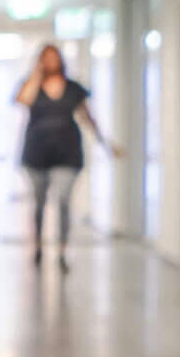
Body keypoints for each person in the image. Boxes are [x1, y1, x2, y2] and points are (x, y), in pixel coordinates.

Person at [15, 43, 119, 270]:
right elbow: (22, 101)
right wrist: (36, 76)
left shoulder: (73, 88)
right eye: (45, 58)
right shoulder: (31, 85)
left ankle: (62, 250)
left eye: (54, 57)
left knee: (63, 200)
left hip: (67, 151)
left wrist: (105, 144)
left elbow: (88, 117)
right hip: (36, 152)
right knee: (39, 203)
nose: (50, 62)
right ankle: (38, 246)